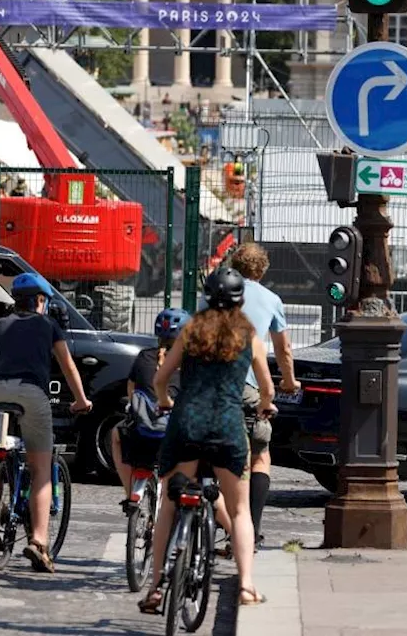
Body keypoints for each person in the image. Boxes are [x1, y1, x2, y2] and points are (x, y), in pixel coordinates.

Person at [139, 268, 274, 612]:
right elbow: (267, 388)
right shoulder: (249, 336)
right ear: (240, 299)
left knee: (169, 505)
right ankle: (245, 585)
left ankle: (155, 586)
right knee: (239, 510)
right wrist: (266, 405)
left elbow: (160, 379)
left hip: (187, 424)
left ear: (206, 298)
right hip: (228, 428)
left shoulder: (190, 332)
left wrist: (166, 401)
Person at [0, 272, 93, 572]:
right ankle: (39, 541)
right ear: (40, 301)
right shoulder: (48, 325)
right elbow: (67, 365)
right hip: (33, 394)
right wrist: (81, 400)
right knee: (41, 469)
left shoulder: (0, 325)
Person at [199, 242, 299, 548]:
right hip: (247, 389)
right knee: (259, 455)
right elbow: (283, 348)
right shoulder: (271, 299)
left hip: (206, 385)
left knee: (206, 459)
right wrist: (289, 381)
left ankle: (219, 521)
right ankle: (248, 530)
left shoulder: (216, 293)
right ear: (263, 270)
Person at [111, 308, 186, 510]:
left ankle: (131, 494)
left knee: (116, 435)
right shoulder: (189, 362)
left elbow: (132, 390)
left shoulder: (144, 357)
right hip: (174, 434)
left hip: (143, 432)